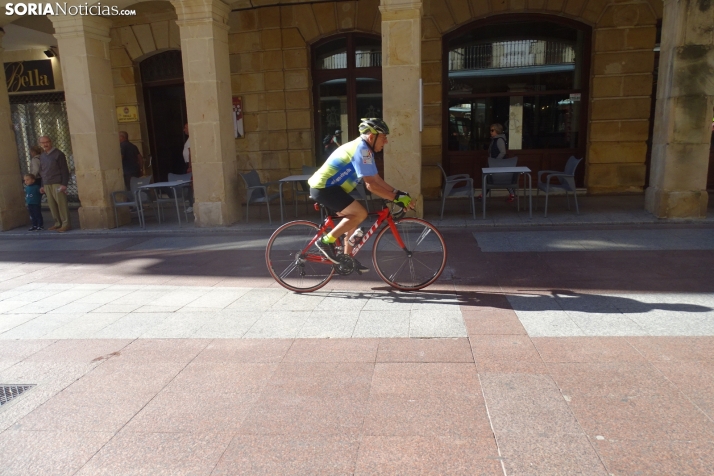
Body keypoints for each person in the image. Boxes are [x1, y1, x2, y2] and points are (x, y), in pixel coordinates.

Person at [308, 118, 413, 273]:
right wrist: (395, 199)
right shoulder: (362, 149)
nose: (386, 142)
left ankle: (346, 260)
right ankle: (326, 241)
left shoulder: (364, 149)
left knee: (352, 220)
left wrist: (397, 193)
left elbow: (376, 179)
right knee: (360, 213)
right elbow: (370, 185)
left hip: (332, 188)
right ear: (372, 136)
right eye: (384, 137)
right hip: (325, 187)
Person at [38, 135, 71, 232]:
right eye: (43, 143)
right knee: (52, 205)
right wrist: (42, 185)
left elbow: (64, 170)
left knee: (61, 204)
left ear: (51, 142)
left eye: (47, 142)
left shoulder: (58, 154)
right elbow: (42, 171)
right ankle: (57, 223)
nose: (45, 144)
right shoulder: (42, 156)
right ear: (40, 144)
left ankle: (66, 224)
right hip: (47, 183)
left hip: (57, 183)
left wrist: (64, 184)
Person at [478, 123, 514, 202]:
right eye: (490, 130)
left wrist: (495, 161)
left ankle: (483, 195)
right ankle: (512, 194)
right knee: (491, 178)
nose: (491, 132)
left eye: (492, 130)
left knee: (491, 178)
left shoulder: (499, 140)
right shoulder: (494, 139)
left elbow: (503, 152)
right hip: (494, 163)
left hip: (496, 163)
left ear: (497, 130)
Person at [182, 123, 194, 213]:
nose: (184, 130)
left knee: (191, 185)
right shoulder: (189, 139)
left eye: (185, 128)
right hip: (188, 164)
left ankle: (192, 204)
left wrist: (190, 166)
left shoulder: (191, 139)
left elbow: (191, 153)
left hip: (190, 165)